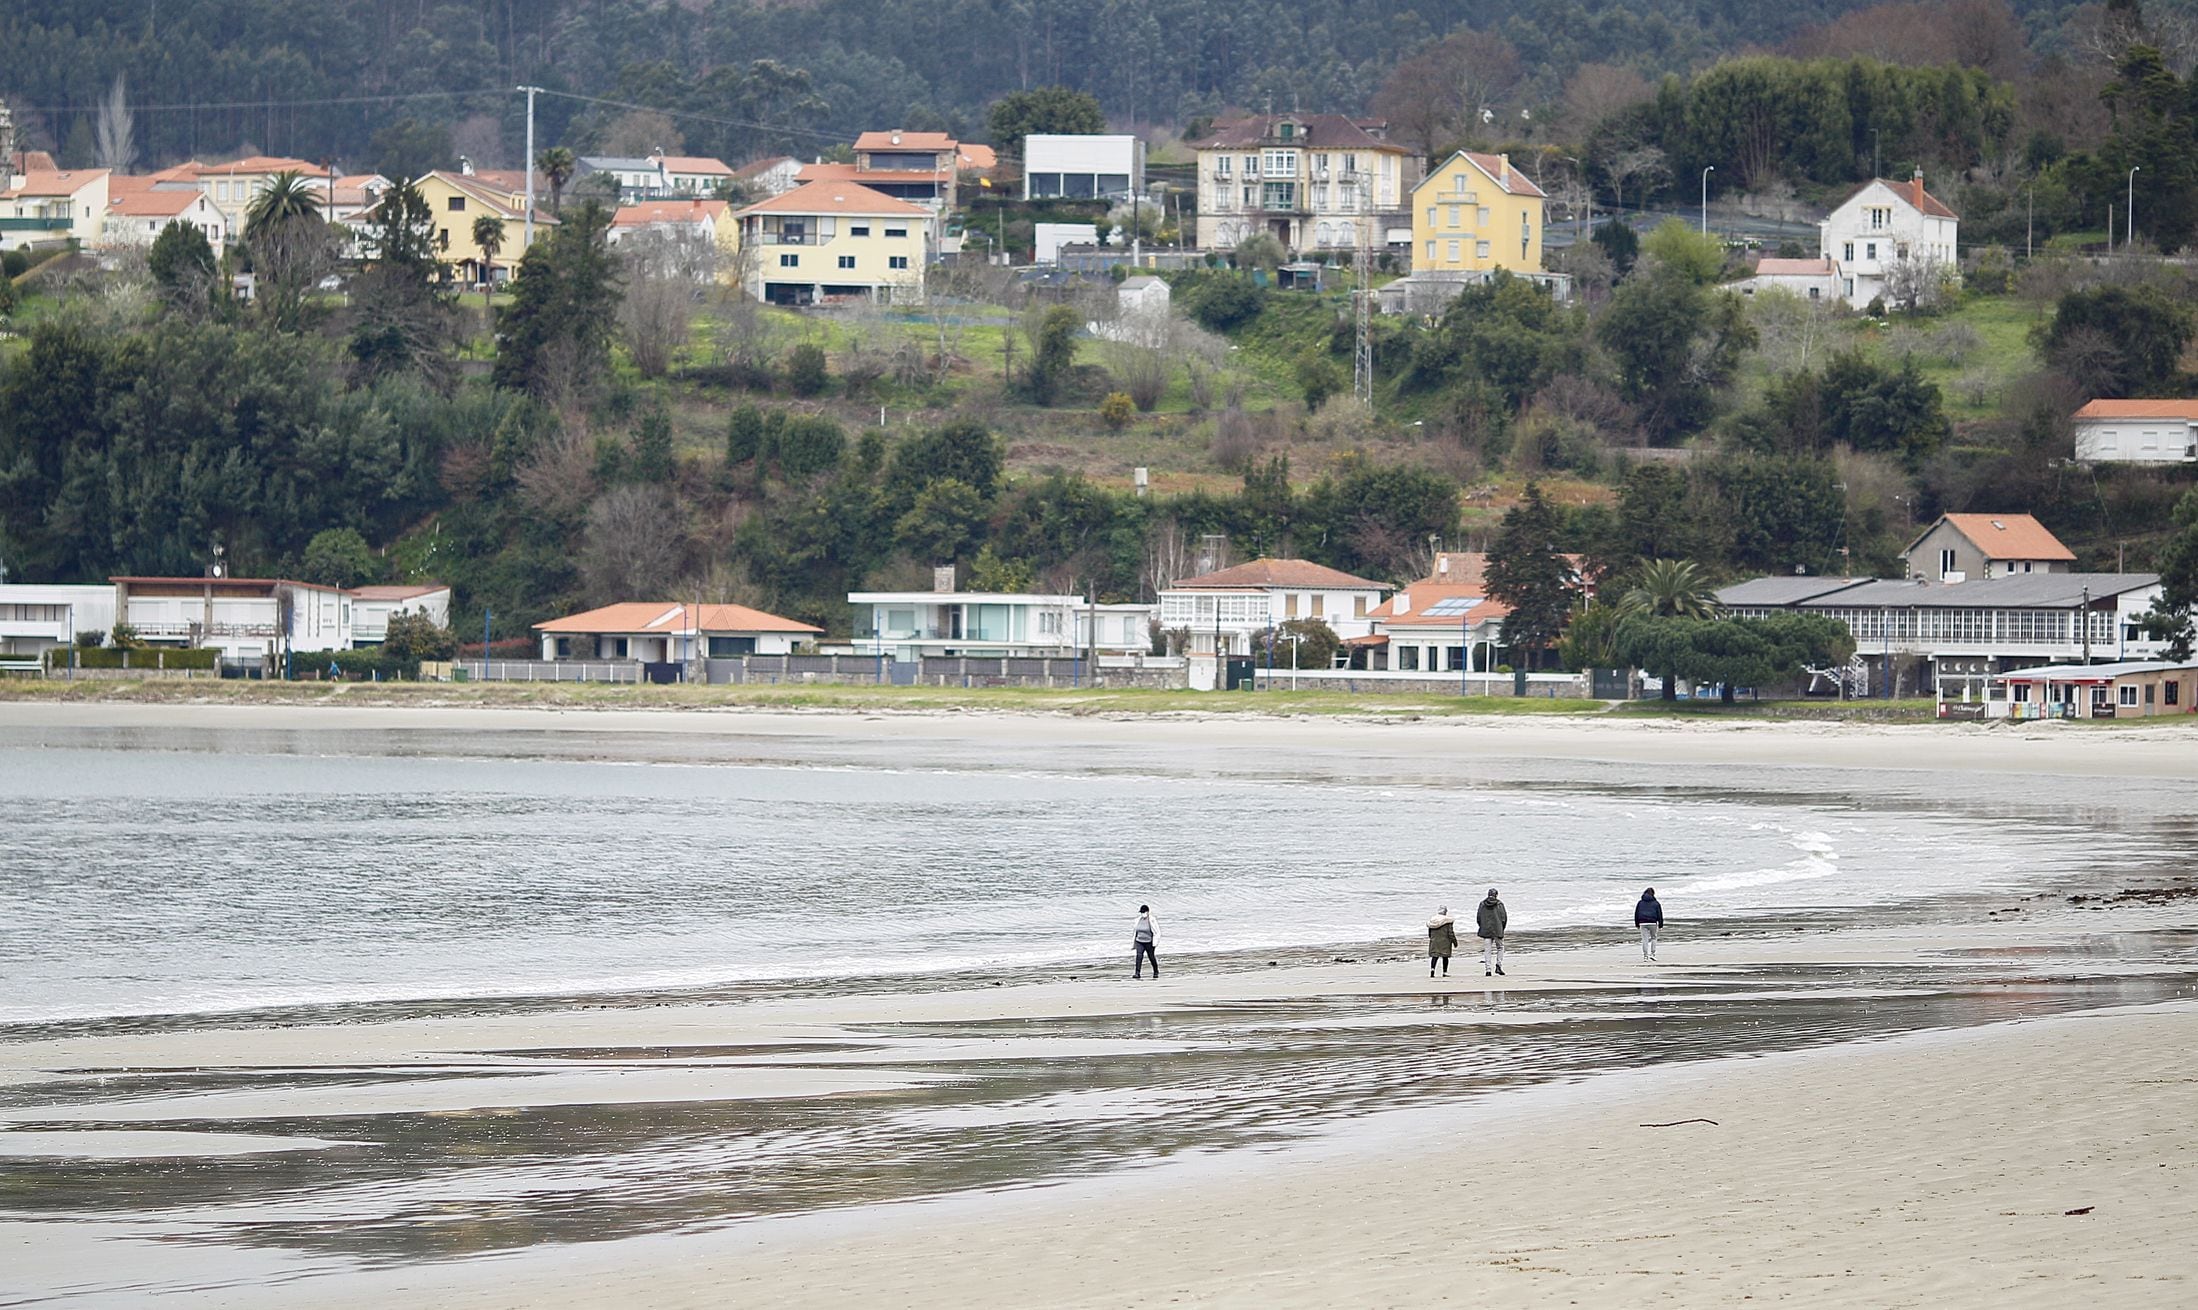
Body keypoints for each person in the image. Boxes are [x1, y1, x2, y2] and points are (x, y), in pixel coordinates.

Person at [1476, 888, 1507, 976]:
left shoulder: (1482, 904)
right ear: (1496, 895)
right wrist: (1502, 928)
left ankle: (1488, 970)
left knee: (1487, 950)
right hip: (1497, 929)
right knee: (1500, 947)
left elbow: (1478, 917)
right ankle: (1498, 965)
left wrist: (1482, 926)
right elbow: (1504, 918)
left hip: (1486, 930)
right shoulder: (1499, 904)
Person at [1427, 905, 1458, 977]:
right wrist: (1454, 941)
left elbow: (1430, 932)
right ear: (1445, 912)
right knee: (1445, 957)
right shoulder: (1448, 921)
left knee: (1435, 956)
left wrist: (1431, 938)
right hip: (1445, 941)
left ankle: (1432, 969)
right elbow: (1450, 933)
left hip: (1434, 940)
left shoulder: (1432, 920)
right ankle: (1444, 972)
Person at [1635, 887, 1664, 963]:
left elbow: (1636, 913)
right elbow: (1659, 914)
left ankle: (1645, 956)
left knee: (1645, 939)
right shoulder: (1656, 903)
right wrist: (1660, 924)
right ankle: (1653, 954)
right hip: (1653, 922)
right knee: (1653, 938)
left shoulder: (1640, 903)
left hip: (1642, 922)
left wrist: (1637, 923)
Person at [1132, 905, 1159, 979]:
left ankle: (1156, 971)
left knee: (1151, 957)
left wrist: (1155, 942)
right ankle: (1137, 973)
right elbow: (1135, 931)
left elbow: (1157, 932)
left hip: (1149, 942)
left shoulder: (1152, 920)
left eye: (1144, 912)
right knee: (1139, 956)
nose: (1142, 913)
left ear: (1147, 912)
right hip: (1139, 941)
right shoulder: (1138, 920)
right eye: (1141, 912)